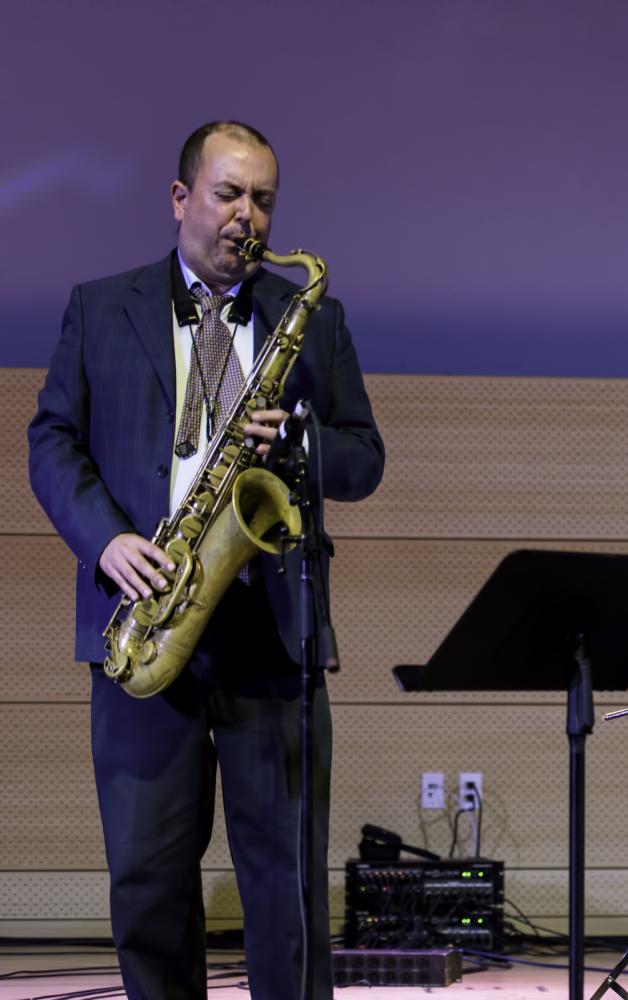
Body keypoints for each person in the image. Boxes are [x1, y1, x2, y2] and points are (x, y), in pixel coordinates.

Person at [28, 120, 384, 999]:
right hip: (147, 617)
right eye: (229, 194)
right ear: (181, 199)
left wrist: (298, 439)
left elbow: (365, 459)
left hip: (274, 630)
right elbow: (52, 441)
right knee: (147, 880)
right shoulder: (99, 307)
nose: (248, 216)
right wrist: (108, 540)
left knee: (288, 883)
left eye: (263, 198)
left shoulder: (316, 320)